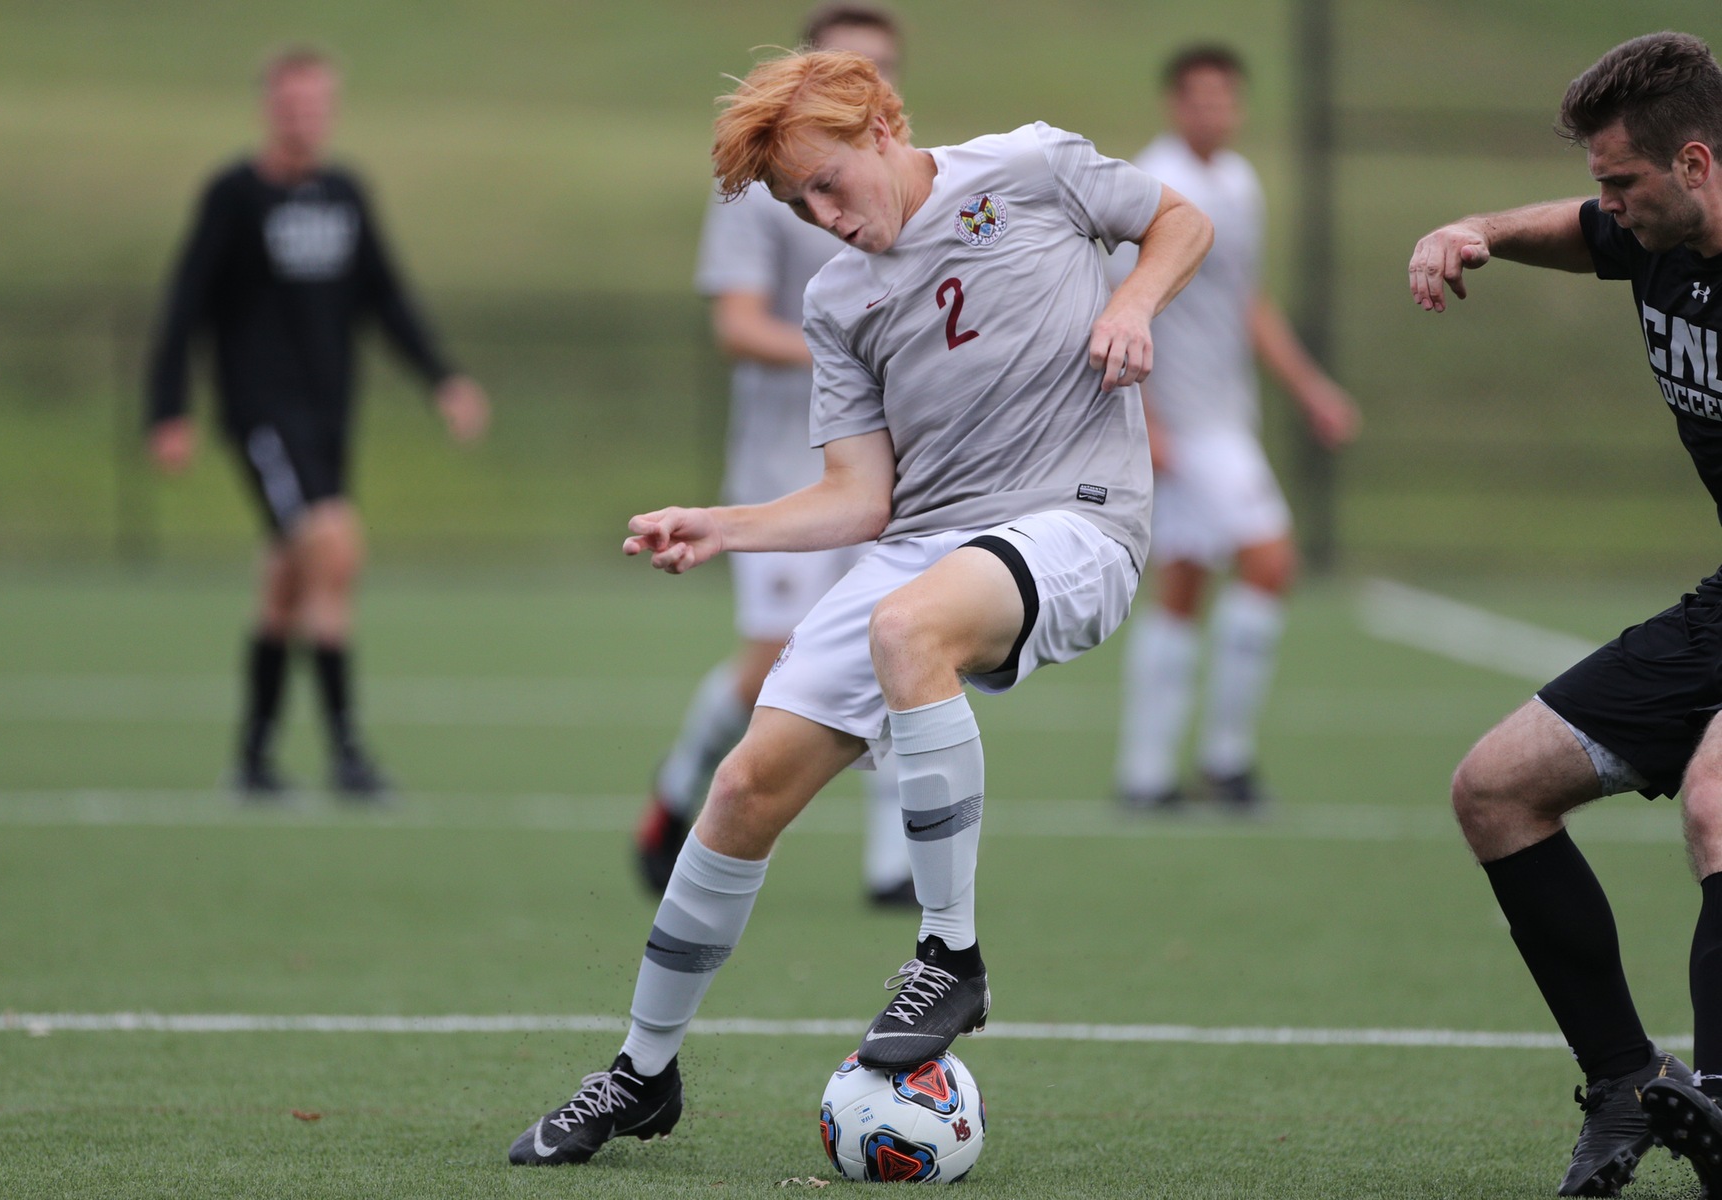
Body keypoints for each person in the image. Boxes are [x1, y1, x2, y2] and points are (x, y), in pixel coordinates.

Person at [509, 47, 1210, 1165]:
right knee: (741, 788)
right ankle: (642, 1071)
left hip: (1080, 521)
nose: (822, 216)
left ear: (884, 126)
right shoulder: (838, 299)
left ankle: (951, 958)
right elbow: (861, 497)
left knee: (907, 629)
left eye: (827, 183)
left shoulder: (1027, 168)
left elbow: (1181, 218)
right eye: (797, 204)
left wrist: (1133, 301)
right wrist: (722, 522)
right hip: (926, 544)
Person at [1408, 31, 1722, 1198]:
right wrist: (1476, 231)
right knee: (1496, 789)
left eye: (1620, 182)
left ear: (1693, 161)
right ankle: (1626, 1085)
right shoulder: (1662, 231)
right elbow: (1579, 231)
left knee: (1716, 799)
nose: (1607, 206)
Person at [145, 46, 489, 800]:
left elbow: (386, 296)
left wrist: (444, 378)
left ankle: (254, 760)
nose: (304, 116)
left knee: (286, 581)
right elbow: (184, 306)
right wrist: (167, 410)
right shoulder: (234, 196)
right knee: (334, 548)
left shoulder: (344, 193)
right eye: (291, 103)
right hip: (262, 416)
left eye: (316, 104)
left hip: (331, 415)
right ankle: (346, 751)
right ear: (270, 107)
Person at [635, 4, 914, 908]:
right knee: (773, 663)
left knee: (896, 634)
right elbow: (738, 324)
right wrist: (846, 348)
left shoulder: (908, 177)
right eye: (850, 62)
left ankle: (890, 863)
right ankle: (680, 784)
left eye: (881, 68)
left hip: (886, 466)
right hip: (781, 465)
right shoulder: (767, 187)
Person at [1111, 44, 1359, 813]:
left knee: (1183, 584)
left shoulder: (1239, 184)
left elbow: (1248, 302)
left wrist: (1310, 387)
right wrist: (1142, 417)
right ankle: (1225, 759)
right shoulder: (1151, 185)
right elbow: (1120, 299)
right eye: (1199, 97)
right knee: (1270, 559)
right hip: (1179, 420)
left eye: (1226, 97)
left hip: (1226, 416)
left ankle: (1146, 775)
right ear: (1174, 104)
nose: (1213, 110)